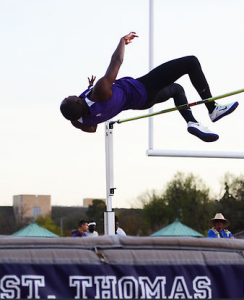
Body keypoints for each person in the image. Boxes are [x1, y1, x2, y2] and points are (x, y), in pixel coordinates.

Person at [60, 32, 238, 142]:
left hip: (142, 102)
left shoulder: (79, 121)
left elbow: (93, 127)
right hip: (142, 87)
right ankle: (213, 109)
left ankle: (192, 122)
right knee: (191, 62)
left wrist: (89, 93)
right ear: (76, 102)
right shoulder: (99, 91)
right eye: (69, 97)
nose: (69, 95)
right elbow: (117, 61)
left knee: (178, 90)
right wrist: (123, 40)